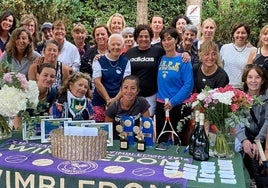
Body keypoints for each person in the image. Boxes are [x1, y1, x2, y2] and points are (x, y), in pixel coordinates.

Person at [155, 27, 193, 146]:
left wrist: (173, 101)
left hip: (179, 105)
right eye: (164, 40)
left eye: (169, 39)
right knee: (161, 140)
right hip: (162, 104)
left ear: (176, 40)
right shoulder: (160, 58)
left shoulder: (184, 60)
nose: (166, 42)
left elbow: (188, 85)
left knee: (180, 140)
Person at [236, 64, 268, 184]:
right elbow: (235, 121)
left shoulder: (267, 96)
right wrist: (243, 140)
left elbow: (267, 120)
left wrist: (258, 141)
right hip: (246, 139)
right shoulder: (239, 96)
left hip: (263, 140)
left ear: (263, 80)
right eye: (250, 77)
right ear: (245, 79)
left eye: (257, 77)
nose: (253, 81)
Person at [124, 24, 165, 117]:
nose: (143, 39)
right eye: (140, 36)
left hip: (151, 95)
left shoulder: (159, 51)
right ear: (136, 38)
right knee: (133, 124)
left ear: (151, 37)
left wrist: (185, 54)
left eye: (146, 36)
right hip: (133, 96)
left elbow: (172, 54)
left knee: (147, 125)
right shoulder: (129, 53)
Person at [92, 33, 131, 122]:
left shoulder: (126, 62)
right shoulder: (99, 60)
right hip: (100, 101)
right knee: (101, 130)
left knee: (118, 130)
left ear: (122, 46)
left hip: (119, 101)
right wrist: (107, 99)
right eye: (113, 44)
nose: (116, 47)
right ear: (108, 46)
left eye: (118, 44)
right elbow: (97, 82)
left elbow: (126, 84)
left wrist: (114, 100)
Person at [221, 22, 256, 89]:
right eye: (237, 32)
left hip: (244, 88)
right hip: (226, 88)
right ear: (233, 34)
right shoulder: (225, 48)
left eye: (243, 33)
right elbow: (220, 67)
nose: (240, 35)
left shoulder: (253, 50)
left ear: (247, 35)